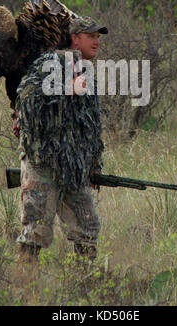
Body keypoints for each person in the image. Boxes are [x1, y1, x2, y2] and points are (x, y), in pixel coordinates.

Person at [15, 16, 108, 263]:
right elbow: (27, 98)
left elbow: (90, 126)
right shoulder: (51, 61)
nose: (96, 41)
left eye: (98, 36)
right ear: (75, 39)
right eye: (91, 36)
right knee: (36, 231)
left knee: (87, 228)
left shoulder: (87, 71)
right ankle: (23, 288)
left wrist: (93, 165)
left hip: (73, 169)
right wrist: (68, 87)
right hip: (43, 164)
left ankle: (86, 287)